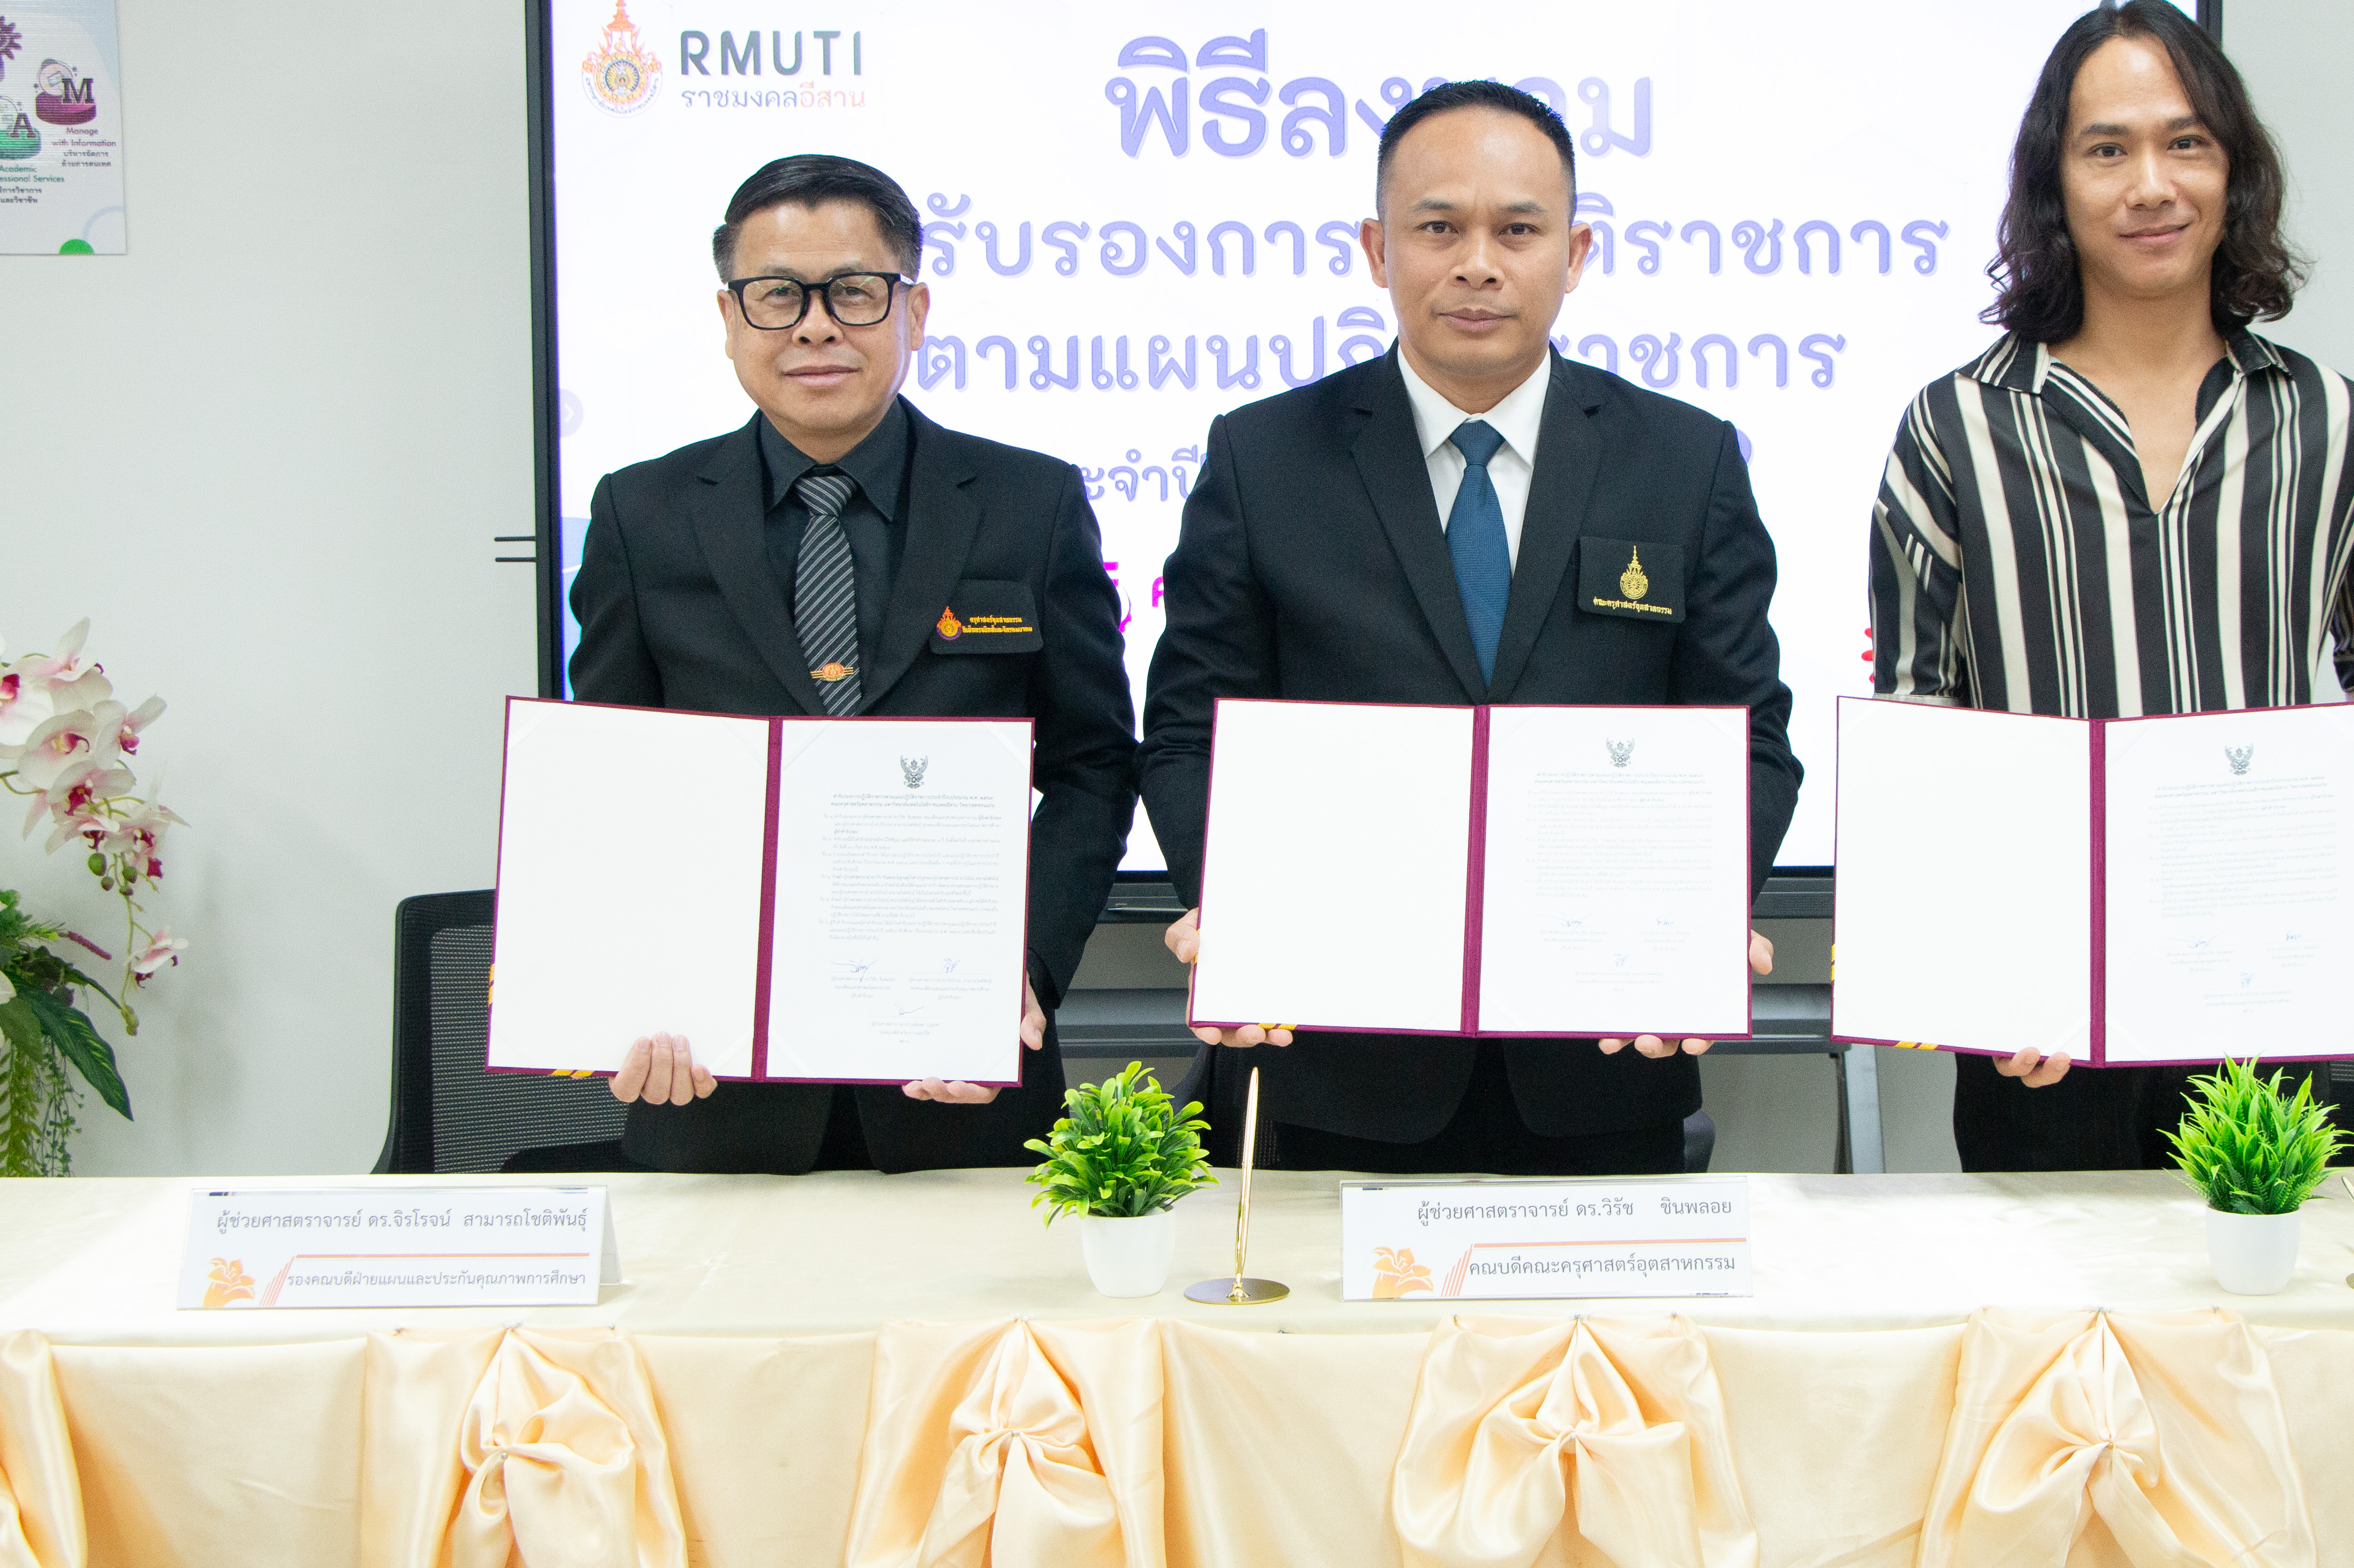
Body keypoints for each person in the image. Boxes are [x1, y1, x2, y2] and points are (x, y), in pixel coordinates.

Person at [1141, 80, 1799, 1176]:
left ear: (1575, 254)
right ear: (1377, 249)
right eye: (1439, 228)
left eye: (1519, 231)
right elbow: (1187, 734)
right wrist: (1239, 905)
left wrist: (1697, 909)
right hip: (1334, 1053)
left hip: (1603, 1057)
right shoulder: (1264, 460)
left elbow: (1750, 736)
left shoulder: (1685, 463)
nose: (1478, 264)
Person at [1867, 0, 2354, 1172]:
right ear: (2055, 184)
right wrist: (1982, 973)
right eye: (2108, 149)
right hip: (2040, 1011)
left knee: (2255, 1281)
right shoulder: (1955, 428)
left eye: (2186, 143)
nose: (2151, 185)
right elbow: (1917, 728)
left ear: (2235, 172)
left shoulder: (2335, 422)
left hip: (2262, 984)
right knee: (2052, 1287)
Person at [568, 153, 1138, 1173]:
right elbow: (612, 786)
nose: (815, 326)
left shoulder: (1029, 504)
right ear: (730, 317)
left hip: (961, 1077)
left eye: (854, 292)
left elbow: (1093, 766)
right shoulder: (641, 514)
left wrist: (1023, 964)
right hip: (714, 1082)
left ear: (914, 310)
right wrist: (630, 986)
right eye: (777, 295)